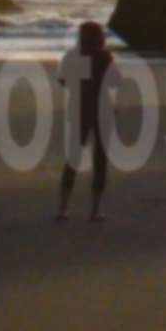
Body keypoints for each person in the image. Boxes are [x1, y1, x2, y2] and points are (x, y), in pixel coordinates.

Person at [58, 20, 115, 223]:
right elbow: (116, 80)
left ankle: (63, 208)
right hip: (102, 110)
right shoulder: (104, 56)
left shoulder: (72, 55)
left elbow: (62, 80)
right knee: (100, 160)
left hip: (79, 109)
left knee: (73, 158)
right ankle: (95, 210)